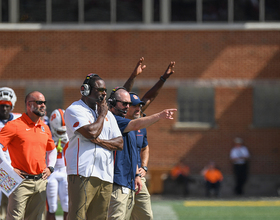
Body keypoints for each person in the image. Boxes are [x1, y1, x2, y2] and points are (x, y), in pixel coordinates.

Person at [108, 86, 177, 220]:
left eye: (130, 104)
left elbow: (136, 151)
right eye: (126, 104)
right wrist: (160, 115)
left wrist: (138, 173)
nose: (129, 107)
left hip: (133, 178)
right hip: (119, 180)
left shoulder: (135, 127)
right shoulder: (115, 120)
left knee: (145, 216)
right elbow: (135, 124)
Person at [122, 57, 175, 220]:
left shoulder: (141, 123)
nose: (139, 108)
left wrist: (144, 167)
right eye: (134, 105)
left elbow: (144, 147)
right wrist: (133, 77)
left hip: (138, 179)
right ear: (124, 107)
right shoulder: (118, 121)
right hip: (120, 179)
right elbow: (121, 94)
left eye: (140, 105)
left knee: (146, 217)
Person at [64, 73, 123, 220]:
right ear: (85, 90)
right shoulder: (75, 109)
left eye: (105, 90)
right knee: (77, 216)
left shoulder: (106, 112)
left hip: (105, 174)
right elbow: (91, 133)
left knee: (99, 218)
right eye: (99, 89)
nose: (104, 93)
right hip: (82, 172)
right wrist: (102, 115)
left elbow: (120, 143)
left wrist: (100, 142)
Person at [0, 91, 57, 220]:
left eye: (44, 102)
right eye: (39, 102)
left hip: (40, 181)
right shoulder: (14, 125)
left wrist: (50, 168)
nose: (43, 105)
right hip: (20, 182)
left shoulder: (44, 127)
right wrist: (9, 168)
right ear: (28, 104)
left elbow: (52, 150)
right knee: (15, 218)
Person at [0, 87, 21, 220]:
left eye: (7, 105)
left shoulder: (19, 120)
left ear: (12, 105)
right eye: (1, 105)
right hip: (1, 166)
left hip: (13, 167)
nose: (4, 108)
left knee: (14, 202)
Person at [46, 109, 69, 220]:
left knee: (67, 205)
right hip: (52, 172)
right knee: (52, 206)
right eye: (60, 132)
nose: (63, 134)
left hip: (65, 170)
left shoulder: (70, 137)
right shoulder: (47, 136)